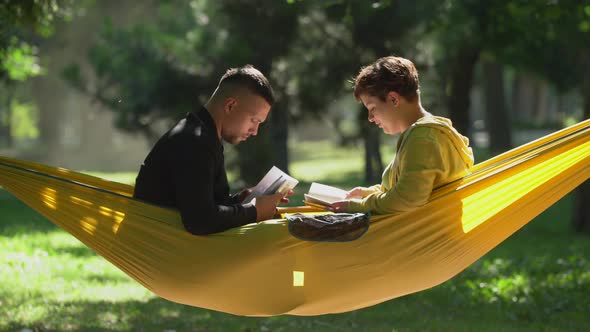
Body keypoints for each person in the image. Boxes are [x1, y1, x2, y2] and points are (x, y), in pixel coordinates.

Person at [133, 65, 287, 235]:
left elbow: (198, 203)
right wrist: (254, 211)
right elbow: (200, 221)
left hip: (174, 244)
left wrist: (240, 201)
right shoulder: (194, 141)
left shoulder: (203, 134)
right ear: (230, 105)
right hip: (162, 247)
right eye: (254, 120)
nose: (255, 131)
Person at [330, 56, 474, 214]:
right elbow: (407, 187)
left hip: (430, 237)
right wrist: (366, 193)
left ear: (393, 99)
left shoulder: (422, 138)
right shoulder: (421, 134)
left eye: (372, 108)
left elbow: (407, 199)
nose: (370, 118)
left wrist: (358, 206)